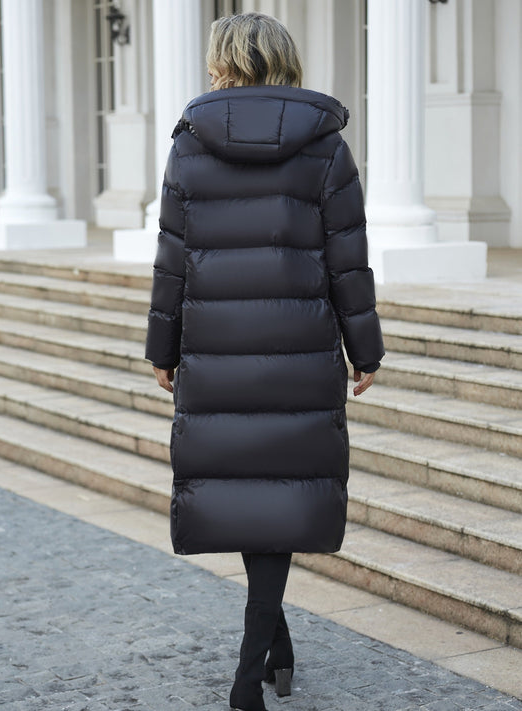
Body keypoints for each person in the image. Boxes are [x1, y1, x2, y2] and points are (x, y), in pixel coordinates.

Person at [145, 11, 384, 711]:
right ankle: (254, 673)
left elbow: (172, 261)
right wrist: (364, 349)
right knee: (273, 493)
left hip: (216, 348)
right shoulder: (326, 147)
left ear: (222, 61)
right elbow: (347, 260)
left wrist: (162, 348)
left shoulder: (189, 145)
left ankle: (264, 662)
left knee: (255, 493)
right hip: (298, 351)